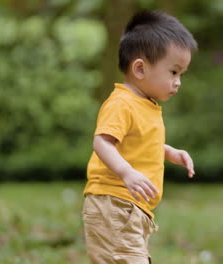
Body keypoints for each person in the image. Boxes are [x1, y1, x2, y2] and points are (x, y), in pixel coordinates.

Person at [82, 10, 198, 264]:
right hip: (114, 205)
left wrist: (169, 152)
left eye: (181, 74)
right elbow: (102, 142)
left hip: (130, 209)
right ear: (140, 69)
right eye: (174, 72)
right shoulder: (122, 103)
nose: (178, 82)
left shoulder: (145, 104)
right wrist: (126, 172)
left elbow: (139, 141)